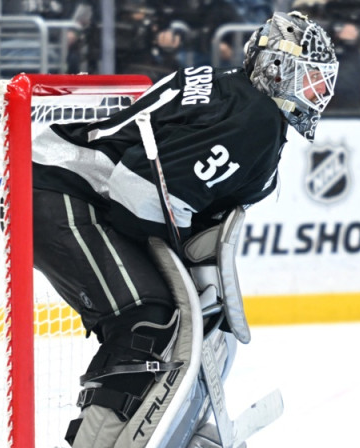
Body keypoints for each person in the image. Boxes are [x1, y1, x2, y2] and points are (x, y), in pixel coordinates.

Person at [31, 10, 338, 448]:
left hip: (61, 186)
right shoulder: (255, 121)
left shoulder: (233, 94)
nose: (321, 93)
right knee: (146, 317)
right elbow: (137, 194)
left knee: (157, 318)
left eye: (324, 83)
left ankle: (118, 431)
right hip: (58, 191)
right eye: (312, 79)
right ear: (276, 69)